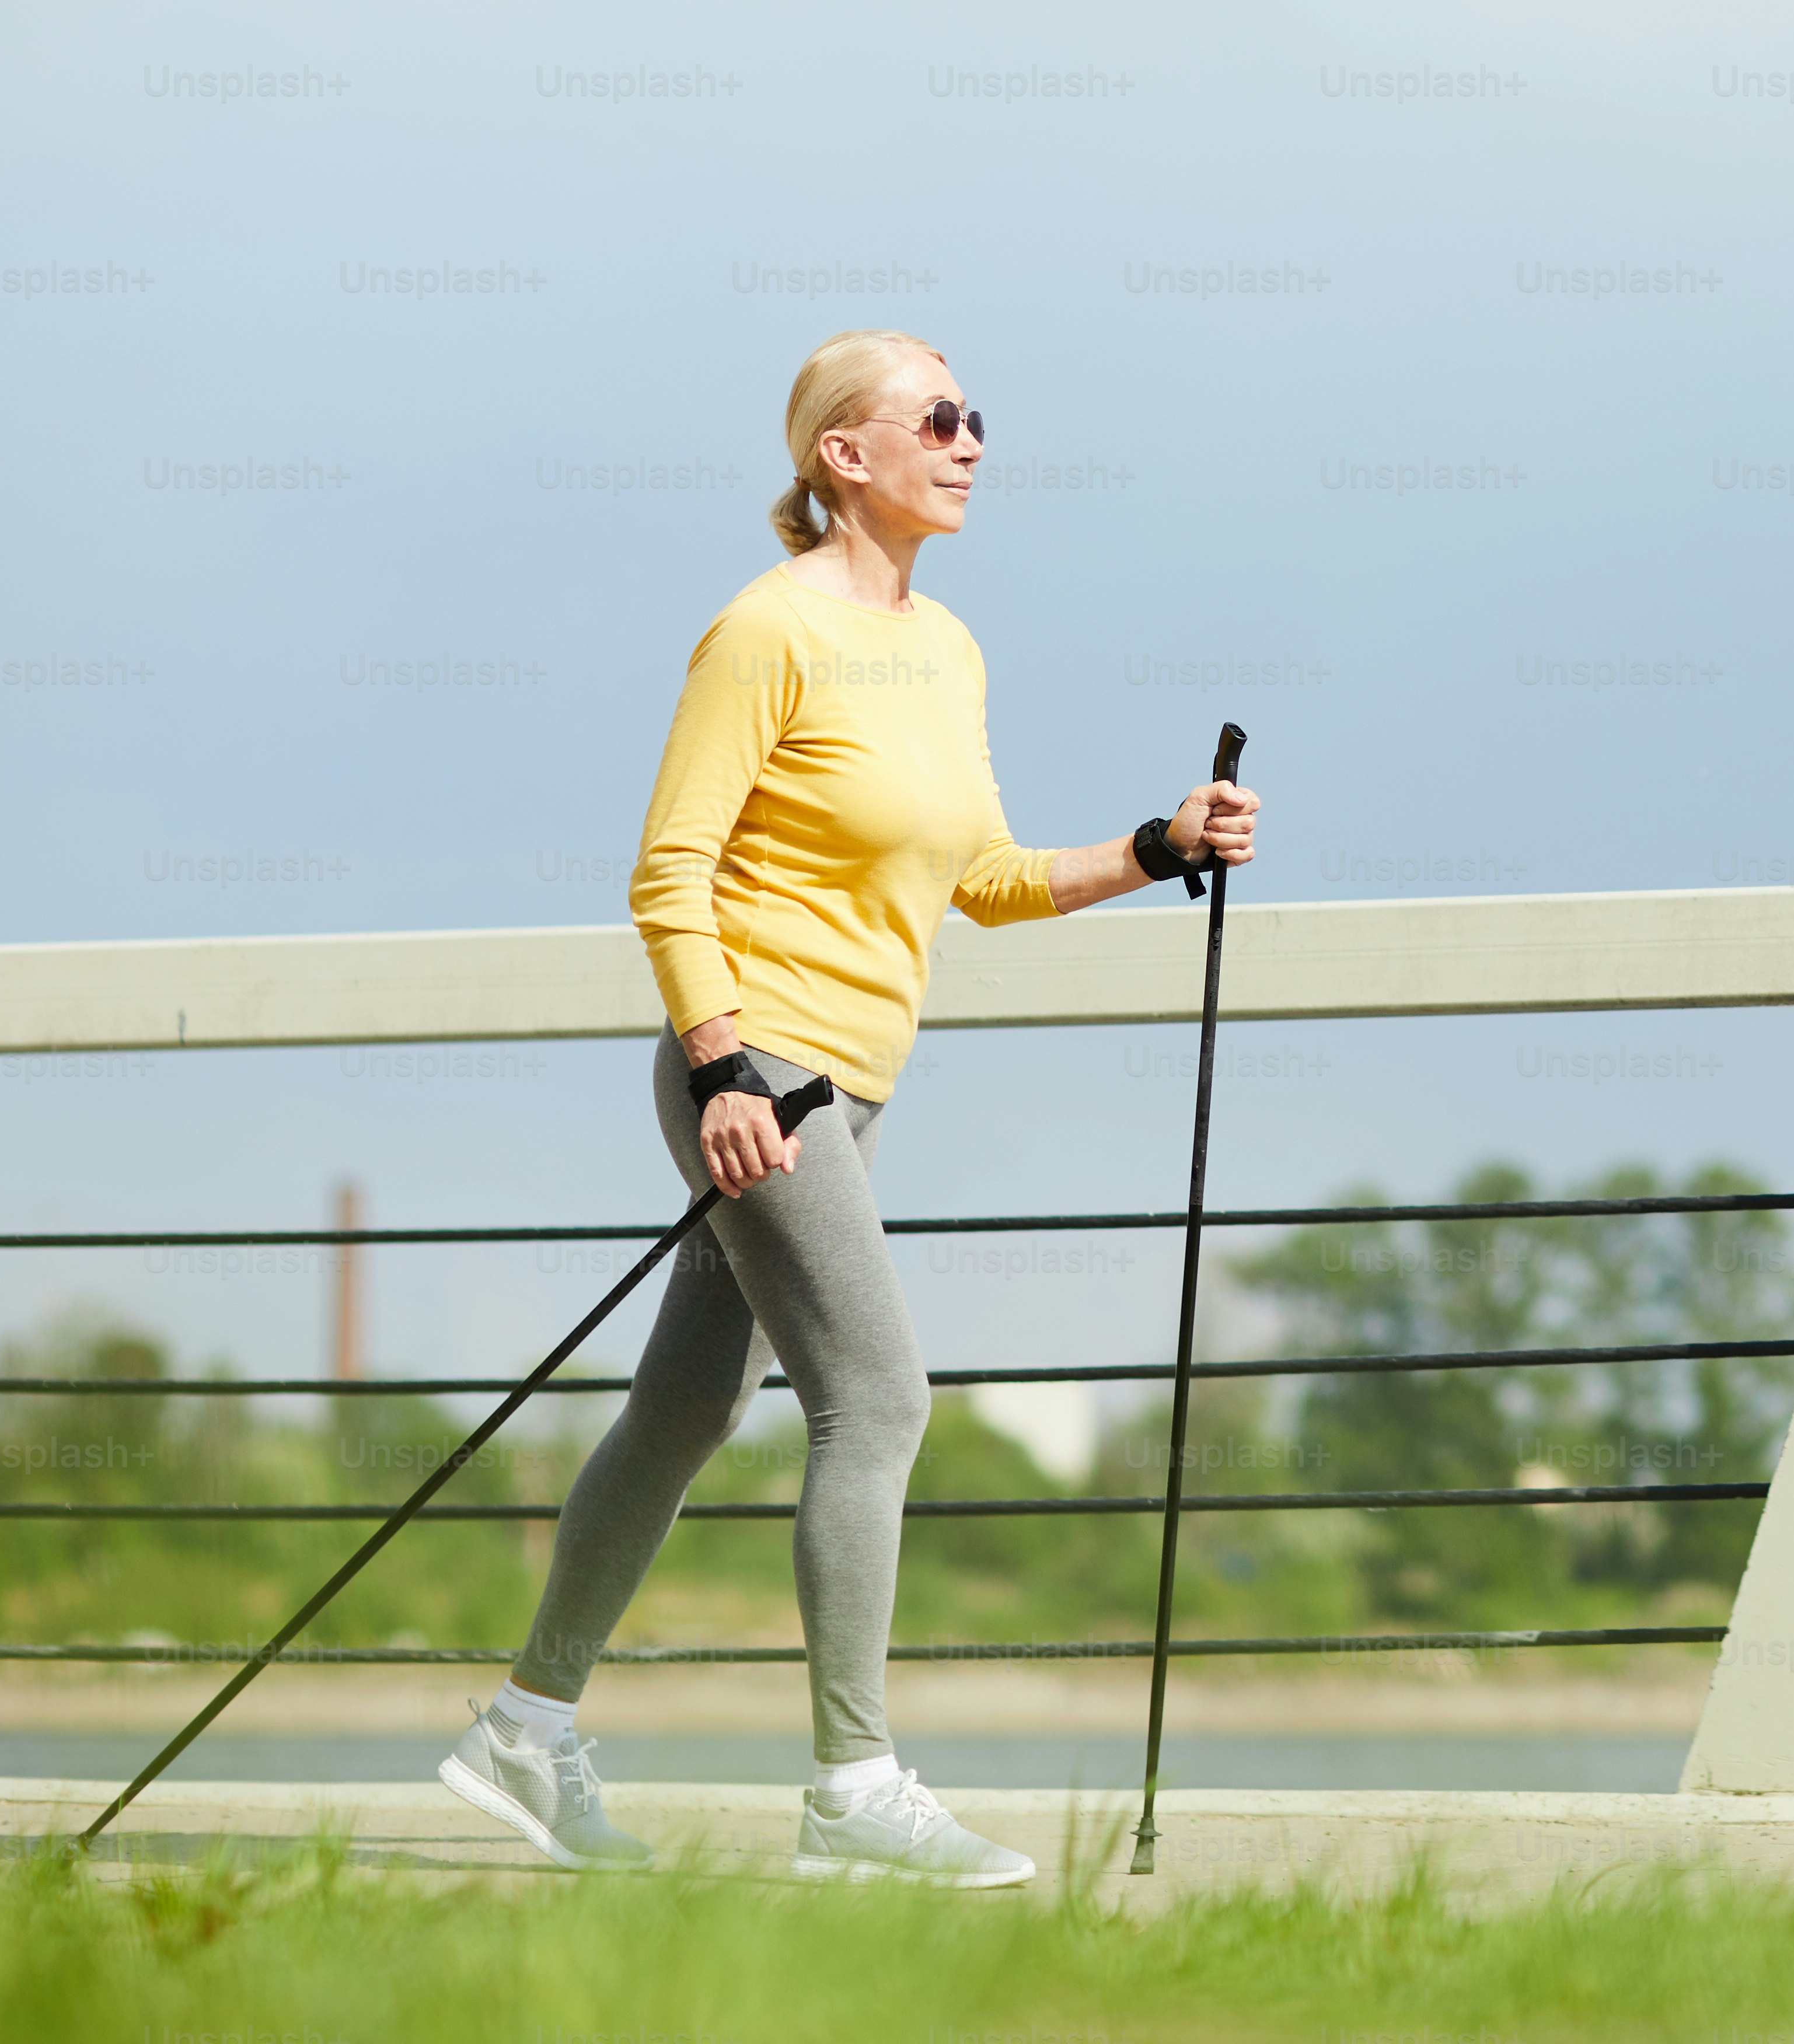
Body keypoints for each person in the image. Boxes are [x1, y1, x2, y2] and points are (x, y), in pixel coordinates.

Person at [435, 329, 1259, 1885]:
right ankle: (852, 1787)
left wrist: (1159, 845)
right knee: (879, 1401)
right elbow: (669, 874)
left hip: (850, 1082)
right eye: (939, 418)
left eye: (978, 419)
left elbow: (987, 883)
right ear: (844, 457)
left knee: (683, 1410)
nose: (970, 442)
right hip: (760, 1076)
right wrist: (723, 1066)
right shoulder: (765, 632)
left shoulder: (946, 649)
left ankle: (524, 1730)